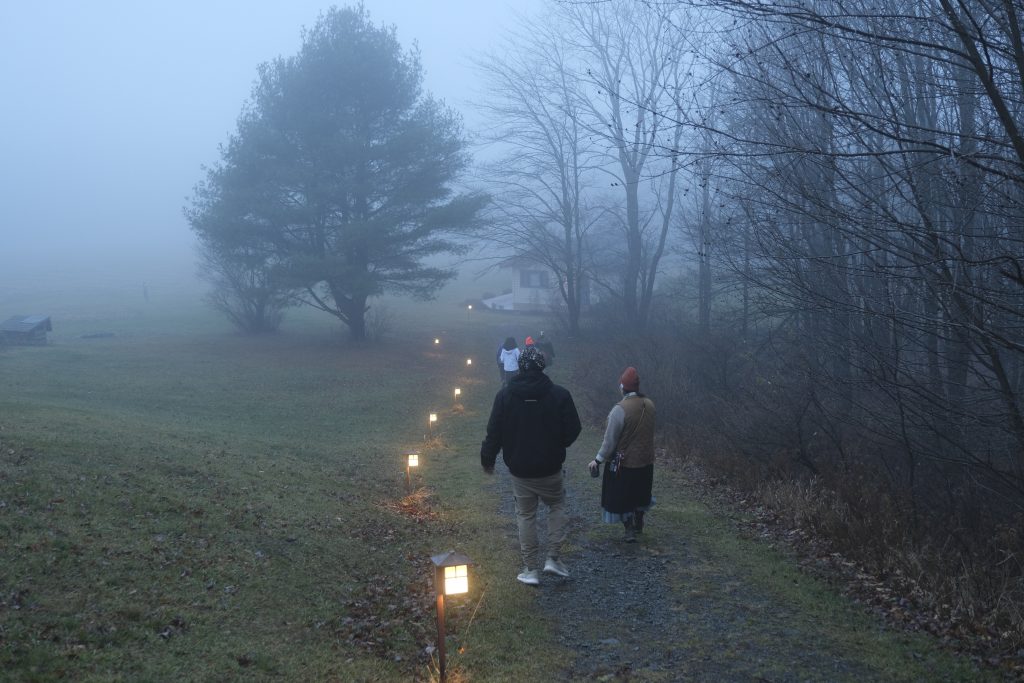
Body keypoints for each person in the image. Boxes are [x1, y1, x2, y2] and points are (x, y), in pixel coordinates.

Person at [481, 346, 582, 585]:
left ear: (520, 366)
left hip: (520, 470)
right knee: (556, 505)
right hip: (550, 468)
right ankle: (553, 558)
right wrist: (558, 444)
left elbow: (494, 432)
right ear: (542, 366)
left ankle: (530, 569)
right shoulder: (560, 394)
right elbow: (574, 429)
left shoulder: (504, 396)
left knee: (525, 515)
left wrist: (488, 459)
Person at [587, 366, 656, 542]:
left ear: (622, 387)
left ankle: (629, 529)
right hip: (646, 460)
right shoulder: (649, 404)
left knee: (622, 496)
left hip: (625, 463)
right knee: (641, 493)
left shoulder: (620, 409)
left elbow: (610, 440)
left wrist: (597, 460)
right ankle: (639, 521)